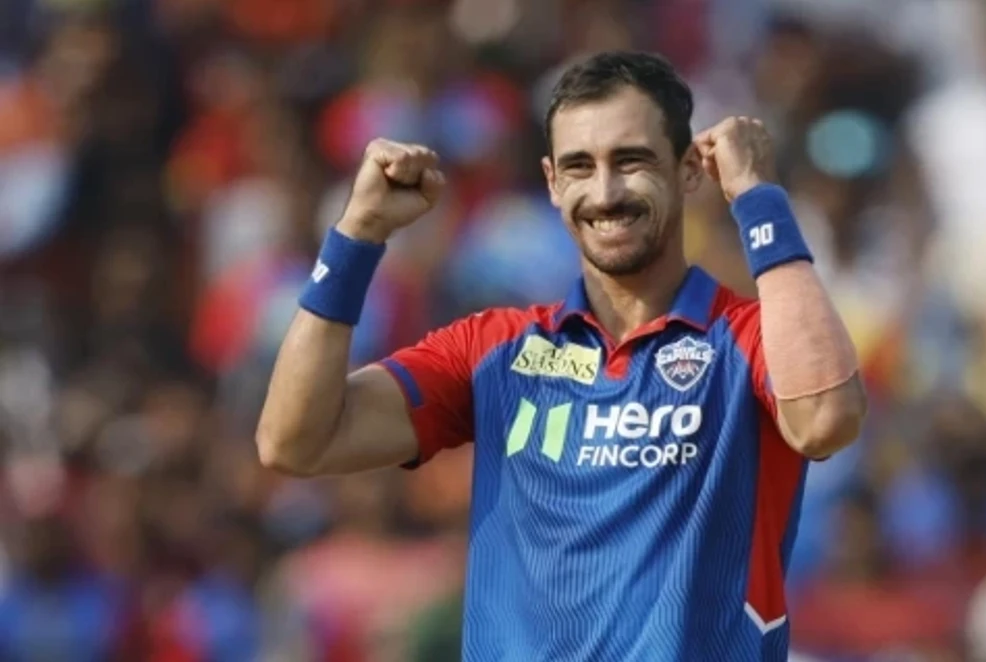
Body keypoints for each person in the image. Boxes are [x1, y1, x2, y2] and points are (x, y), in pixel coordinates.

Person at [256, 50, 866, 661]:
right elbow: (295, 441)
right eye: (580, 166)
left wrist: (757, 197)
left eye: (631, 161)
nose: (605, 193)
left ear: (688, 170)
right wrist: (356, 236)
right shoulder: (497, 349)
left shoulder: (747, 337)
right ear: (551, 182)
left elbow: (824, 418)